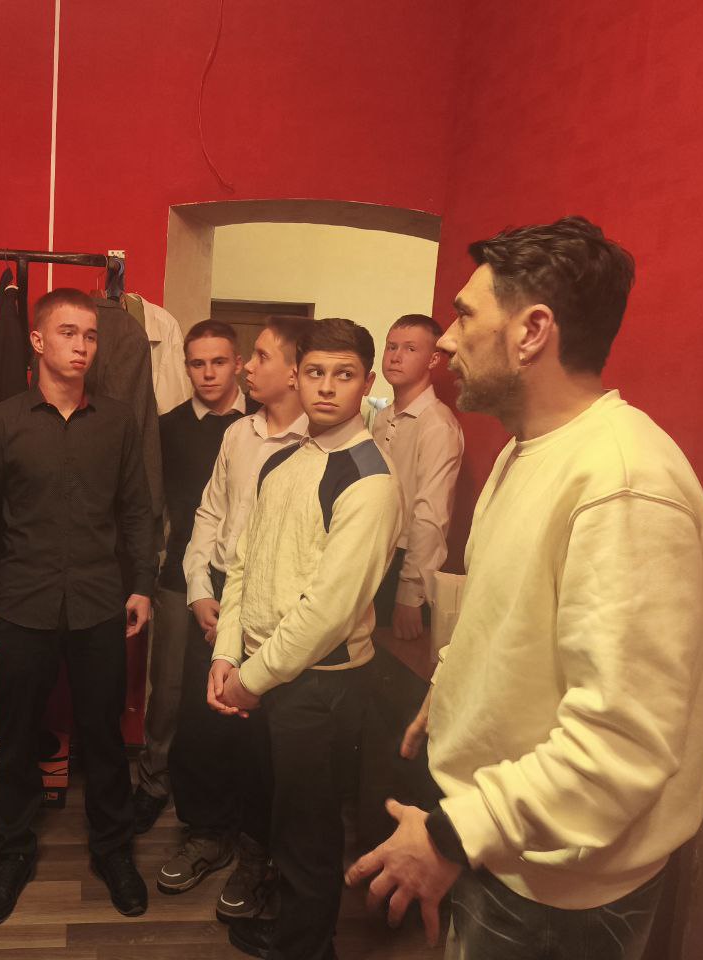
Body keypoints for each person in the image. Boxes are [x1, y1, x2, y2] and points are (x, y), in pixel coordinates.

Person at [347, 217, 703, 960]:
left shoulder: (624, 483)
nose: (447, 341)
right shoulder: (527, 450)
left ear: (532, 331)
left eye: (464, 315)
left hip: (560, 890)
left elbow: (621, 746)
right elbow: (508, 617)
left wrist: (450, 836)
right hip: (507, 845)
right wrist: (449, 691)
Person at [0, 288, 157, 925]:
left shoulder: (117, 421)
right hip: (22, 602)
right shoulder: (3, 421)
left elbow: (137, 511)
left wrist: (142, 584)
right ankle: (12, 852)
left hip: (99, 602)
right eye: (68, 333)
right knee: (17, 737)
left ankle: (113, 849)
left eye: (91, 335)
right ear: (38, 341)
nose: (82, 346)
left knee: (104, 736)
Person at [211, 318, 402, 960]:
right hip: (268, 670)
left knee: (309, 834)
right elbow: (243, 563)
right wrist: (226, 653)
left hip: (322, 684)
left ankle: (307, 949)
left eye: (343, 375)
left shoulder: (370, 479)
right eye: (315, 372)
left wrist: (249, 679)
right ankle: (298, 932)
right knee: (283, 819)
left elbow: (328, 611)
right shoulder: (284, 459)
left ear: (366, 383)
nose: (326, 387)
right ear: (297, 377)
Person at [159, 316, 310, 919]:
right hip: (220, 591)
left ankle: (257, 852)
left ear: (294, 372)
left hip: (279, 606)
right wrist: (199, 589)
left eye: (261, 356)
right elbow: (208, 515)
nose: (247, 366)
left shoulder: (317, 444)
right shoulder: (238, 435)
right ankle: (206, 833)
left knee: (262, 739)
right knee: (202, 725)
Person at [133, 319, 256, 833]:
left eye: (219, 362)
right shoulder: (168, 428)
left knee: (238, 688)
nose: (208, 373)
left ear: (238, 364)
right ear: (185, 367)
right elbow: (150, 507)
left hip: (247, 580)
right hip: (178, 575)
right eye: (197, 363)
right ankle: (154, 780)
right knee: (168, 689)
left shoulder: (263, 424)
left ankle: (229, 791)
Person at [371, 314, 463, 640]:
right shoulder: (381, 418)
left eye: (410, 349)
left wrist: (410, 593)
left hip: (403, 564)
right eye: (391, 347)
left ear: (433, 359)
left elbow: (431, 515)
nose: (396, 357)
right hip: (372, 553)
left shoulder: (437, 424)